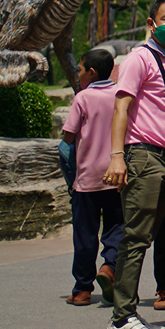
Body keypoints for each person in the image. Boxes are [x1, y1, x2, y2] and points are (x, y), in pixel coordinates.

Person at [100, 0, 165, 329]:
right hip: (143, 155)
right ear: (150, 23)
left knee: (146, 236)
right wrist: (117, 155)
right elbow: (121, 107)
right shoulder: (140, 58)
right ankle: (121, 319)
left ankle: (128, 315)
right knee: (136, 237)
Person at [60, 47, 124, 306]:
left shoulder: (83, 98)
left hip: (87, 179)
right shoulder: (121, 95)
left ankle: (82, 290)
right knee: (116, 227)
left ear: (92, 72)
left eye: (80, 69)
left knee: (85, 234)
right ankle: (109, 266)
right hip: (116, 175)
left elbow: (68, 136)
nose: (78, 74)